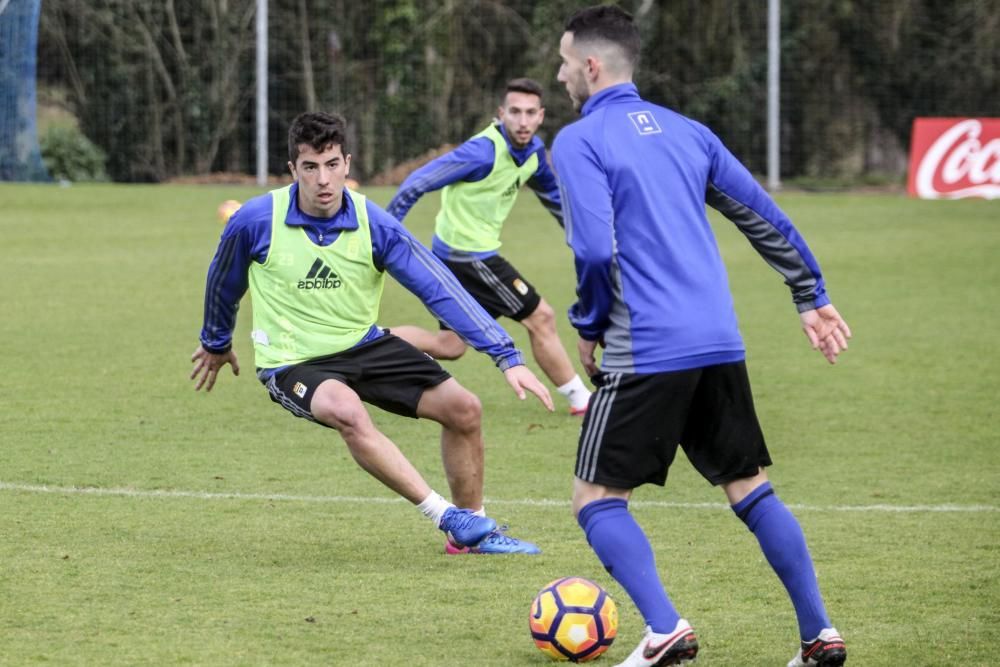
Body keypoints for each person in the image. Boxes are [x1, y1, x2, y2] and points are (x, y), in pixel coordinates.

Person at [552, 6, 851, 667]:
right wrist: (811, 295)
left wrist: (590, 325)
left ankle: (664, 629)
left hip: (646, 345)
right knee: (748, 485)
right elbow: (761, 214)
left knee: (596, 498)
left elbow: (596, 252)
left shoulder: (577, 142)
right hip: (718, 338)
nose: (560, 73)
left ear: (592, 67)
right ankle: (819, 633)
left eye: (565, 61)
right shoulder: (691, 133)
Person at [191, 111, 554, 556]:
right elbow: (223, 282)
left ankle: (474, 532)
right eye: (309, 167)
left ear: (347, 163)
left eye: (331, 165)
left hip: (364, 344)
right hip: (293, 361)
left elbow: (437, 285)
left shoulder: (374, 223)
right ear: (293, 170)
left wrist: (505, 354)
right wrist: (215, 341)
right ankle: (444, 515)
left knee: (464, 409)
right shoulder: (254, 220)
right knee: (347, 411)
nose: (322, 179)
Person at [386, 78, 592, 416]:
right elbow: (415, 184)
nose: (522, 121)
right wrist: (384, 236)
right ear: (501, 114)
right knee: (541, 317)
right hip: (467, 257)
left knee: (450, 346)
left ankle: (371, 338)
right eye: (515, 112)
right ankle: (581, 399)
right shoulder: (481, 152)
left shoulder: (534, 153)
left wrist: (586, 241)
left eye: (529, 113)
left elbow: (555, 199)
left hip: (459, 258)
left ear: (541, 116)